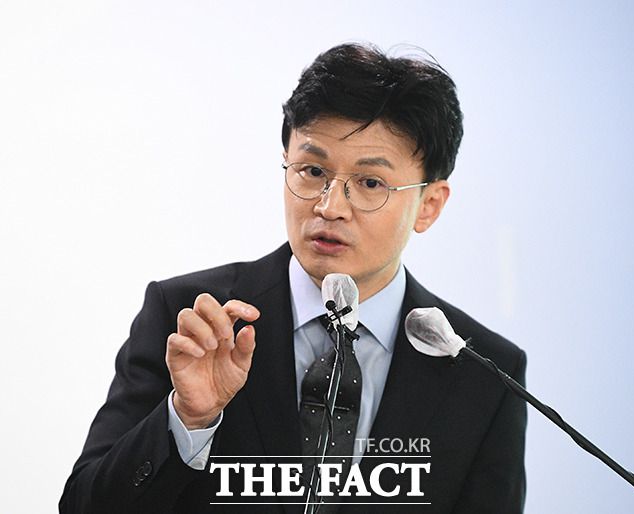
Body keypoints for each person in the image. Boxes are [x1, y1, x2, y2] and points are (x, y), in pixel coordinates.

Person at [60, 43, 526, 514]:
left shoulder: (486, 377)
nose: (330, 206)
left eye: (370, 183)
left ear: (429, 205)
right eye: (313, 171)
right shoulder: (189, 321)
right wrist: (187, 419)